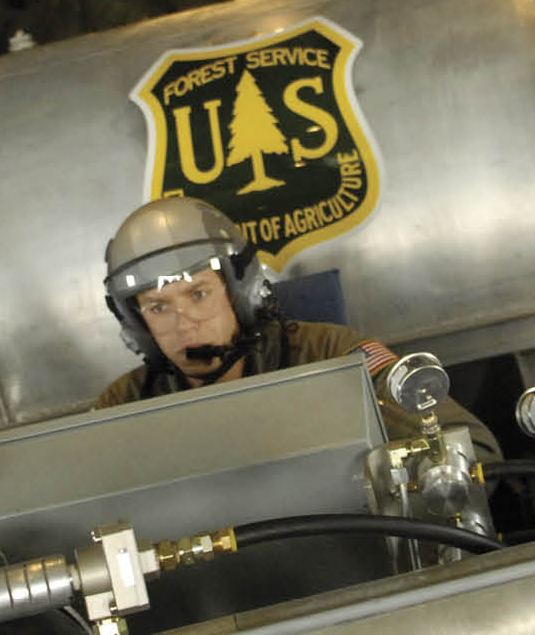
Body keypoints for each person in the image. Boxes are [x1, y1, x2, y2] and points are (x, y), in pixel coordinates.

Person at [92, 196, 496, 462]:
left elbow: (472, 449)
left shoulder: (336, 357)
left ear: (239, 294)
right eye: (158, 307)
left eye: (198, 294)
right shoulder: (123, 406)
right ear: (139, 323)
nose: (183, 323)